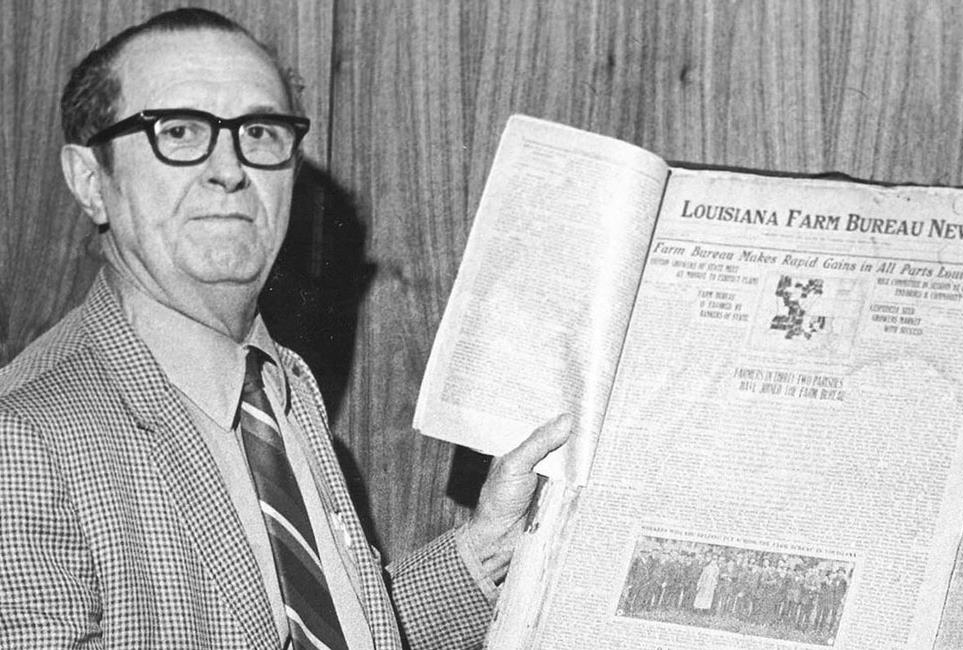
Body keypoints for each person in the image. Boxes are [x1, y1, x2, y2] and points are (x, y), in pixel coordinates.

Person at [0, 8, 570, 650]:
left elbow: (328, 628)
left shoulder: (277, 389)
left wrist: (485, 546)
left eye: (261, 131)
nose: (230, 169)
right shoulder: (21, 439)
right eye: (181, 130)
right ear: (90, 181)